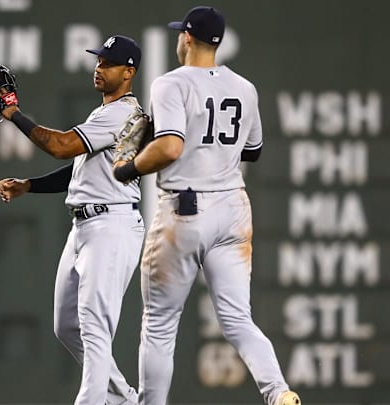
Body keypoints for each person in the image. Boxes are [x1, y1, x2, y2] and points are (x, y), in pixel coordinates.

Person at [112, 6, 300, 405]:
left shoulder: (170, 84)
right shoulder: (245, 88)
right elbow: (253, 150)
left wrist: (129, 167)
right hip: (233, 210)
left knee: (160, 325)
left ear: (187, 38)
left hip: (184, 210)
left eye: (181, 34)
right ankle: (278, 392)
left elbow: (168, 147)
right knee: (237, 319)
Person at [0, 35, 145, 405]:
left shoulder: (122, 114)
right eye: (98, 61)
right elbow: (81, 171)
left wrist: (13, 112)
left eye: (108, 63)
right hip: (86, 226)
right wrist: (30, 185)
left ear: (129, 72)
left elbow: (60, 145)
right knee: (67, 327)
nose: (99, 67)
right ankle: (125, 398)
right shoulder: (106, 114)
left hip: (111, 226)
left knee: (94, 326)